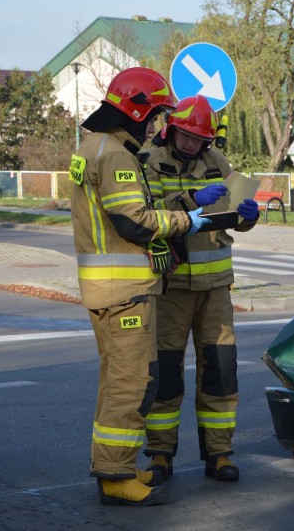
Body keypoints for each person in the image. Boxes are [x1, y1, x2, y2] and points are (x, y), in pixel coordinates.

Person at [69, 67, 211, 507]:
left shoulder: (92, 146)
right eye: (152, 116)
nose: (154, 127)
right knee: (133, 384)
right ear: (134, 111)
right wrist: (186, 220)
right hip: (124, 289)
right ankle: (116, 476)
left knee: (117, 383)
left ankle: (116, 464)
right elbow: (133, 221)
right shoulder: (115, 155)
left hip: (106, 288)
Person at [141, 95, 260, 484]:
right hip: (170, 285)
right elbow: (146, 212)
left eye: (199, 139)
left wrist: (247, 217)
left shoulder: (217, 163)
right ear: (172, 128)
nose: (192, 144)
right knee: (167, 375)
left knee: (221, 372)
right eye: (187, 136)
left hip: (215, 289)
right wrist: (190, 199)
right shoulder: (148, 160)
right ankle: (160, 455)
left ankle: (220, 454)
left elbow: (231, 217)